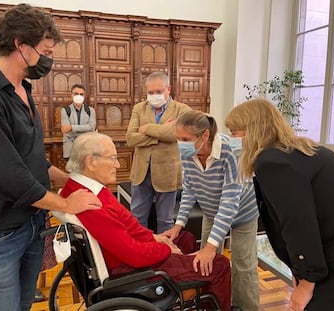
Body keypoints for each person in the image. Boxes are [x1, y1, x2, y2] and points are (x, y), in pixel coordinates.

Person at [0, 4, 101, 311]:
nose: (49, 58)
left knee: (22, 304)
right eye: (45, 49)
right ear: (21, 44)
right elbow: (9, 177)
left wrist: (69, 178)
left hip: (31, 220)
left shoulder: (23, 90)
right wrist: (66, 204)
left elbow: (29, 161)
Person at [60, 132, 232, 311]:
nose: (118, 164)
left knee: (185, 239)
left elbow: (129, 226)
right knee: (219, 265)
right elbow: (132, 254)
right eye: (113, 158)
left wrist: (155, 238)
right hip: (129, 272)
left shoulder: (83, 189)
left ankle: (196, 291)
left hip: (126, 259)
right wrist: (166, 250)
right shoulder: (89, 202)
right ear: (91, 162)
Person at [224, 98, 334, 311]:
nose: (231, 139)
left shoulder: (271, 161)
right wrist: (300, 272)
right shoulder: (295, 151)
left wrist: (306, 281)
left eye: (234, 132)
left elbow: (297, 223)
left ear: (252, 130)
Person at [162, 110, 259, 310]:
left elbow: (229, 201)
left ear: (205, 135)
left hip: (243, 212)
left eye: (185, 139)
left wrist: (210, 246)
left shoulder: (231, 152)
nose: (181, 144)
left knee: (243, 267)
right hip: (211, 211)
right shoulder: (189, 154)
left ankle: (246, 307)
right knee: (206, 264)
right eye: (178, 138)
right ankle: (214, 304)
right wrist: (178, 225)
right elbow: (189, 190)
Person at [126, 71, 191, 233]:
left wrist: (147, 129)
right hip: (141, 172)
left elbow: (175, 135)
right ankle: (140, 254)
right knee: (137, 218)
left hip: (167, 173)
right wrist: (161, 132)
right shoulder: (139, 108)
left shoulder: (182, 110)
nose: (154, 95)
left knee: (165, 221)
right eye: (150, 92)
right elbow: (130, 139)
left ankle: (165, 254)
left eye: (158, 92)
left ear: (168, 89)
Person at [61, 83, 96, 161]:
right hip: (70, 148)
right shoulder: (65, 110)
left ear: (84, 96)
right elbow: (65, 130)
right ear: (71, 95)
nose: (79, 96)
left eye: (81, 94)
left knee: (86, 172)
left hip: (86, 147)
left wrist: (72, 127)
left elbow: (91, 127)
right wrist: (85, 130)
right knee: (71, 172)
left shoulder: (90, 110)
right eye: (76, 94)